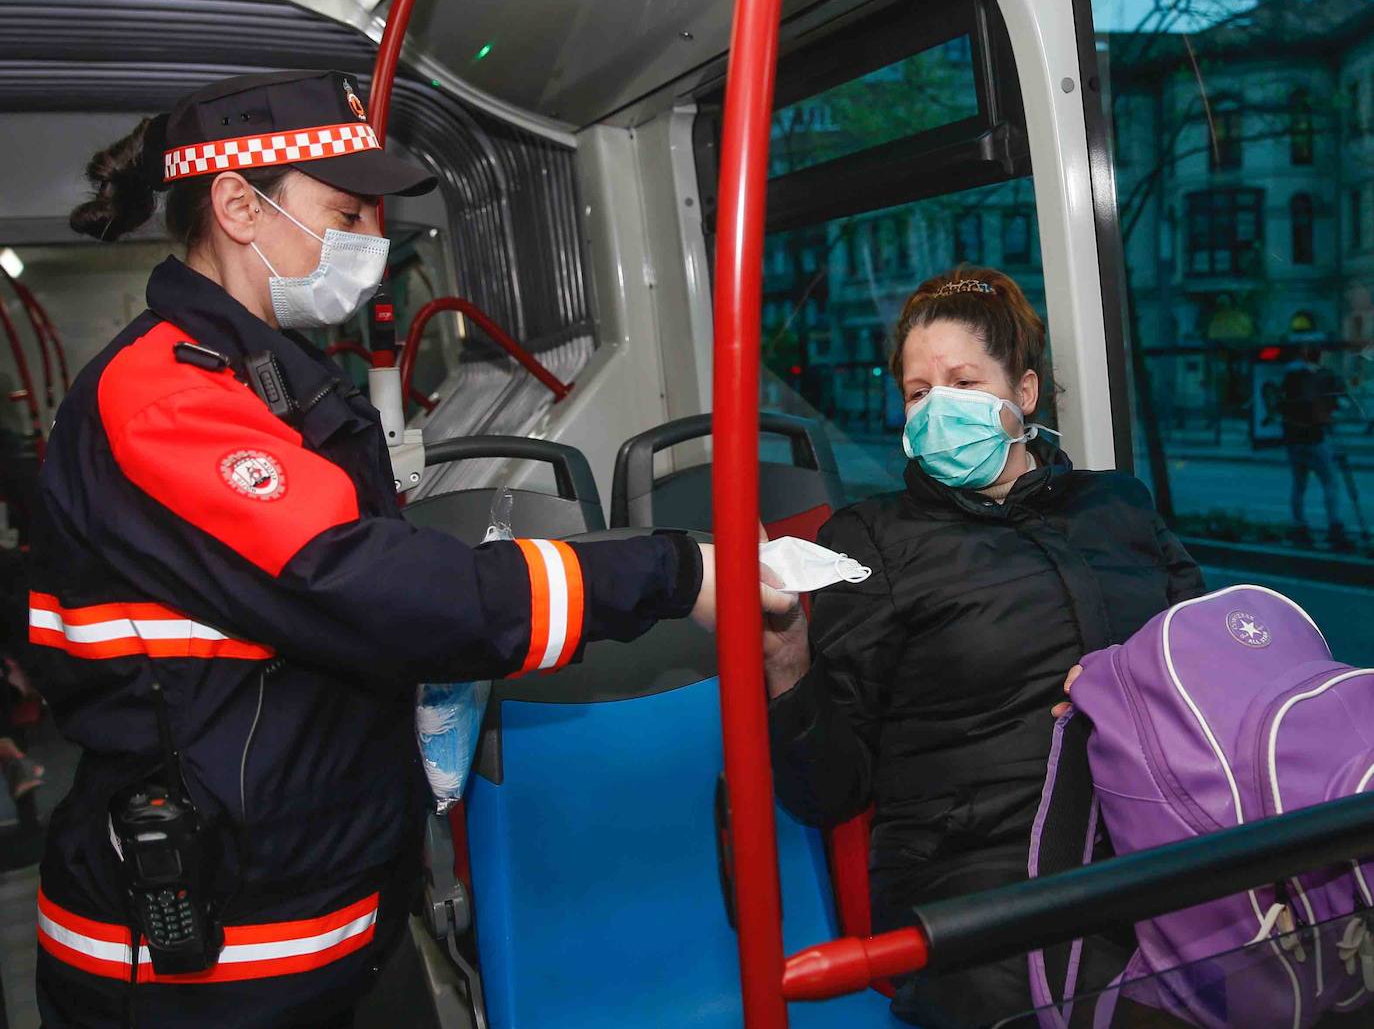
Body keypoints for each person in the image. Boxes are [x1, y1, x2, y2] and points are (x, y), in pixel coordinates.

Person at [30, 70, 787, 1029]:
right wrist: (669, 573)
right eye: (344, 211)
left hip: (294, 906)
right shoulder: (170, 397)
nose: (372, 245)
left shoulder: (265, 377)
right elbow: (358, 585)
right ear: (236, 204)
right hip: (204, 961)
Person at [763, 267, 1205, 1028]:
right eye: (916, 392)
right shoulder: (873, 540)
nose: (937, 408)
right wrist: (785, 652)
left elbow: (1204, 663)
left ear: (1023, 396)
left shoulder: (1116, 505)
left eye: (963, 381)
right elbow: (826, 789)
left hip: (1147, 838)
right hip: (981, 879)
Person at [1280, 340, 1353, 551]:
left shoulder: (1291, 375)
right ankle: (1334, 526)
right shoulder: (1323, 376)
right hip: (1315, 437)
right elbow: (1340, 403)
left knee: (1299, 484)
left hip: (1293, 438)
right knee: (1330, 482)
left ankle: (1299, 525)